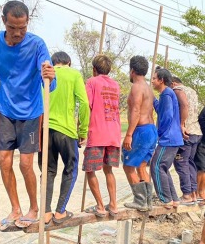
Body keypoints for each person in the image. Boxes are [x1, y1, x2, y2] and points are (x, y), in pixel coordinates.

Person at [0, 1, 56, 229]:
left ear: (27, 23)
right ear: (4, 21)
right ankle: (15, 208)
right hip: (5, 109)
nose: (18, 33)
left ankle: (33, 208)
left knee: (25, 163)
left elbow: (49, 85)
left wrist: (50, 77)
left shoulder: (37, 45)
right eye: (13, 27)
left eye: (22, 27)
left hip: (31, 111)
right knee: (3, 160)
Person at [37, 51, 90, 225]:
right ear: (69, 62)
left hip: (45, 130)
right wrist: (83, 131)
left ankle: (45, 212)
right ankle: (60, 211)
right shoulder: (74, 74)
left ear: (54, 64)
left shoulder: (45, 76)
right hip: (66, 131)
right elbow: (83, 104)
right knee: (70, 169)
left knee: (47, 171)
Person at [83, 55, 121, 217]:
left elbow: (87, 105)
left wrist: (82, 129)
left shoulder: (92, 82)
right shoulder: (116, 85)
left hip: (97, 132)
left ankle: (100, 206)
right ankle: (113, 204)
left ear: (94, 69)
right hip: (114, 132)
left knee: (90, 170)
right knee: (108, 170)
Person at [122, 56, 158, 211]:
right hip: (151, 130)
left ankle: (140, 201)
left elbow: (136, 110)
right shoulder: (148, 87)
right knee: (142, 166)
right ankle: (148, 202)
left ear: (132, 71)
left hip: (141, 130)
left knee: (128, 166)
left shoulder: (137, 87)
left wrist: (129, 134)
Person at [150, 67, 184, 209]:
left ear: (161, 80)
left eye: (154, 78)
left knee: (156, 166)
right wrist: (153, 99)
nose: (152, 81)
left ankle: (165, 199)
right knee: (163, 167)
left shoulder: (166, 94)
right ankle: (174, 198)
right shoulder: (166, 94)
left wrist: (160, 132)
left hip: (168, 138)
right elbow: (161, 110)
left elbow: (167, 116)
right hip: (173, 138)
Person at [171, 77, 202, 204]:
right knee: (189, 163)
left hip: (186, 132)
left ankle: (187, 195)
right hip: (196, 132)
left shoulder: (177, 89)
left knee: (181, 163)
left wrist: (181, 124)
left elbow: (184, 105)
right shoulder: (192, 91)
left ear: (173, 83)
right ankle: (193, 193)